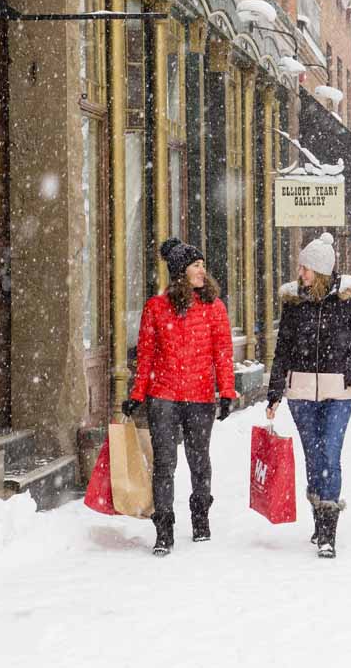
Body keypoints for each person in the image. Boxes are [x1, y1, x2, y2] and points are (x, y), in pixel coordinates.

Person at [122, 238, 236, 556]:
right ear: (180, 272)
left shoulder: (214, 307)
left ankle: (200, 518)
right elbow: (145, 355)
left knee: (199, 462)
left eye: (202, 265)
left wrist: (226, 392)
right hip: (164, 395)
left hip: (200, 396)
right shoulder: (156, 308)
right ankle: (164, 528)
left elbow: (223, 353)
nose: (202, 270)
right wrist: (137, 393)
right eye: (196, 265)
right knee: (164, 464)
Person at [265, 232, 351, 559]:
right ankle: (320, 514)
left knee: (330, 453)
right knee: (313, 454)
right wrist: (274, 392)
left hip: (338, 391)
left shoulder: (347, 300)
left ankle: (328, 533)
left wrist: (348, 372)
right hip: (299, 390)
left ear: (321, 270)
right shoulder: (295, 302)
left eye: (306, 268)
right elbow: (282, 348)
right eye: (300, 267)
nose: (301, 273)